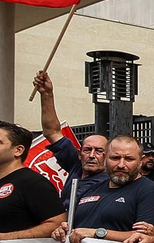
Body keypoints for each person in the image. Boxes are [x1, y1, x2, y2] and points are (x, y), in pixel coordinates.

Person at [51, 135, 154, 243]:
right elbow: (75, 229)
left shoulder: (151, 192)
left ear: (141, 161)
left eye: (129, 159)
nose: (121, 165)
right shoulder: (90, 190)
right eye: (115, 158)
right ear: (105, 158)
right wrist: (62, 231)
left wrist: (98, 233)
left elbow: (147, 239)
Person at [32, 70, 107, 200]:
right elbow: (52, 132)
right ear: (79, 154)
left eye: (99, 151)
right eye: (87, 150)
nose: (91, 155)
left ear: (109, 156)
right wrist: (46, 94)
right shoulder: (76, 166)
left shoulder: (112, 180)